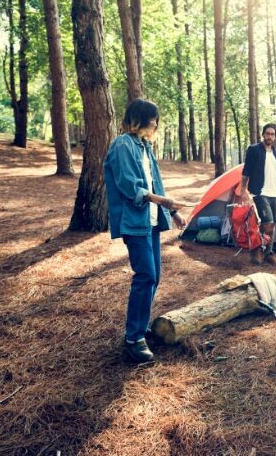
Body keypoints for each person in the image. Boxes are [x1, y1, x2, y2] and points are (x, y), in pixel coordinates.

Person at [104, 99, 186, 363]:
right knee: (145, 276)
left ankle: (139, 328)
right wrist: (163, 202)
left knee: (154, 276)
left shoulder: (145, 147)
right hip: (134, 221)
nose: (156, 123)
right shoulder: (122, 145)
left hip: (150, 221)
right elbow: (130, 187)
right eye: (153, 118)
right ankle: (133, 339)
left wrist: (172, 212)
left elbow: (155, 184)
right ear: (140, 118)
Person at [240, 123, 276, 266]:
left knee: (273, 224)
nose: (270, 137)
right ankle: (256, 250)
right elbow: (246, 170)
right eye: (268, 133)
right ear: (263, 135)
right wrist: (243, 190)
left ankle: (268, 253)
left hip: (274, 193)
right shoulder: (254, 150)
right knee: (267, 222)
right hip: (260, 192)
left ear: (275, 137)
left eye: (272, 134)